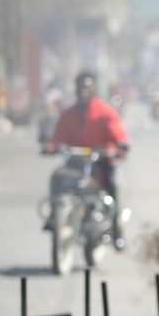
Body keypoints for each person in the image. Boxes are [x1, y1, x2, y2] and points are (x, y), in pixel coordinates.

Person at [47, 71, 130, 250]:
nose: (84, 91)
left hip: (101, 162)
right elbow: (57, 137)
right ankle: (54, 217)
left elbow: (119, 136)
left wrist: (118, 147)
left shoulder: (106, 112)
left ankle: (117, 231)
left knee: (113, 184)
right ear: (76, 89)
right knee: (56, 177)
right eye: (80, 87)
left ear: (94, 88)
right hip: (75, 162)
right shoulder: (68, 114)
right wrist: (52, 147)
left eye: (87, 86)